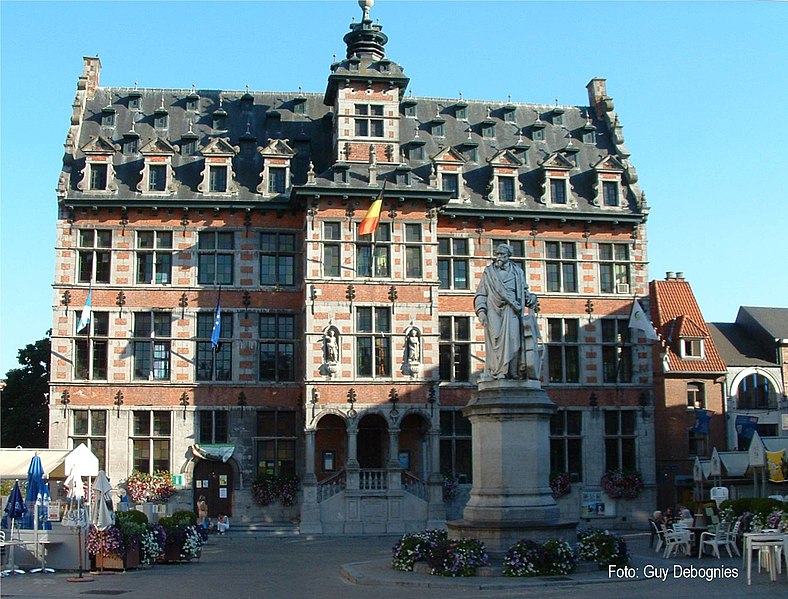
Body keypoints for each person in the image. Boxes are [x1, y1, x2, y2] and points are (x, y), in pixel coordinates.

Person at [474, 244, 540, 380]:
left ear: (508, 256)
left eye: (502, 255)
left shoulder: (518, 272)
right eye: (497, 254)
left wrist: (531, 298)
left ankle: (513, 371)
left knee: (515, 341)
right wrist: (481, 311)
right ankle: (498, 372)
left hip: (513, 310)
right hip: (494, 310)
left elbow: (523, 292)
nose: (499, 257)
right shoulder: (489, 272)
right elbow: (481, 293)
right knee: (495, 340)